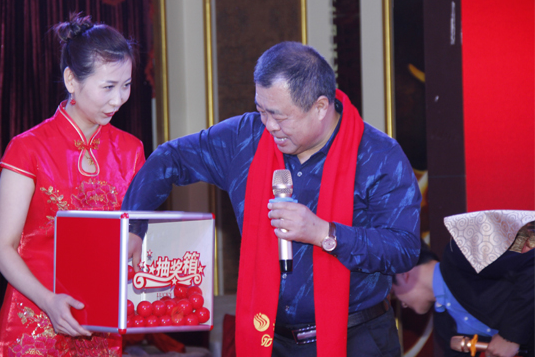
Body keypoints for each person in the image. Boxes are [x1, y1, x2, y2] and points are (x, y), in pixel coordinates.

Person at [123, 41, 421, 357]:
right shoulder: (246, 139)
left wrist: (324, 232)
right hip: (270, 339)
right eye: (261, 111)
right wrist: (133, 225)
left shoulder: (378, 156)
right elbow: (170, 158)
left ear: (320, 107)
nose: (269, 126)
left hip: (356, 339)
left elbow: (403, 248)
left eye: (279, 116)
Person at [0, 13, 145, 356]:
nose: (119, 99)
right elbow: (2, 247)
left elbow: (133, 236)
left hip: (101, 326)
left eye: (126, 85)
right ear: (71, 80)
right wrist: (48, 301)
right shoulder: (28, 148)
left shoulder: (131, 150)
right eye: (108, 86)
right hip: (35, 319)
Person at [392, 226, 534, 357]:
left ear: (403, 274)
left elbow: (531, 265)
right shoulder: (444, 323)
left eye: (394, 292)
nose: (403, 304)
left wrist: (509, 336)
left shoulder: (459, 253)